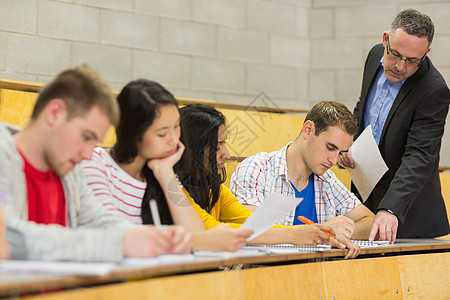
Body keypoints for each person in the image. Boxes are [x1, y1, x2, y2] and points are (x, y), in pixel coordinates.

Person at [1, 65, 191, 262]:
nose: (88, 154)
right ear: (54, 113)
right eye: (85, 136)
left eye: (94, 142)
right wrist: (120, 243)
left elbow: (102, 222)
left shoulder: (70, 172)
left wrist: (157, 238)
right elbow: (8, 238)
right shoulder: (3, 156)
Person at [83, 79, 253, 252]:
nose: (174, 140)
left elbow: (197, 234)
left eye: (176, 128)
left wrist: (165, 174)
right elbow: (112, 234)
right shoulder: (95, 164)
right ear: (132, 134)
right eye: (162, 133)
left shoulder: (163, 171)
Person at [180, 104, 363, 259]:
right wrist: (303, 234)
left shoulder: (216, 190)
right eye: (217, 146)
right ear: (193, 147)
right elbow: (212, 231)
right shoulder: (172, 189)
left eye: (225, 144)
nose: (227, 154)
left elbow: (253, 225)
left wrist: (318, 233)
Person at [339, 9, 450, 243]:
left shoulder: (434, 90)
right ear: (385, 40)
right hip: (364, 198)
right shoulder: (374, 56)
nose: (400, 67)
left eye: (411, 61)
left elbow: (420, 156)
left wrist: (391, 209)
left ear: (426, 53)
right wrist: (347, 145)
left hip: (407, 215)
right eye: (395, 55)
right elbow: (363, 107)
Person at [230, 101, 375, 247]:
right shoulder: (255, 169)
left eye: (341, 153)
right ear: (308, 130)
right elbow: (250, 231)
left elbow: (370, 221)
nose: (334, 160)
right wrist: (323, 231)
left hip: (315, 269)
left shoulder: (328, 180)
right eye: (330, 147)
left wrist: (338, 232)